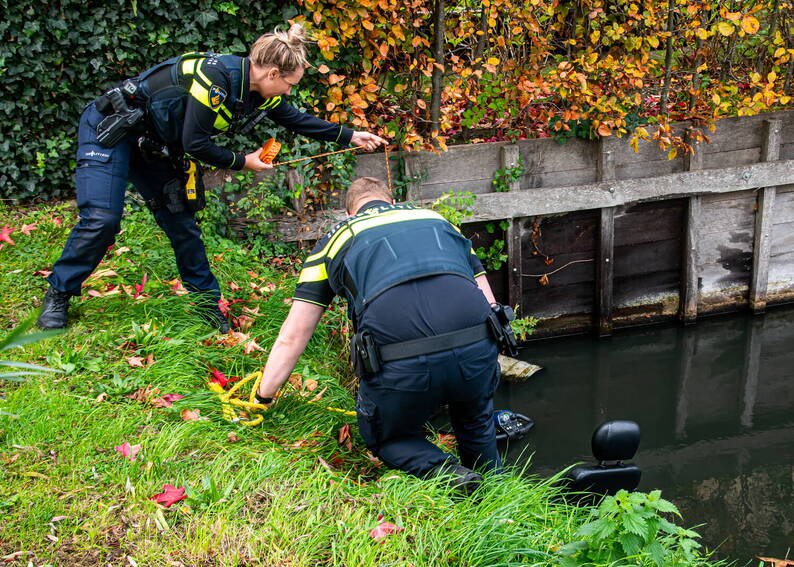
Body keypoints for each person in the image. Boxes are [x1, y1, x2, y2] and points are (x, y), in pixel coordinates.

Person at [36, 23, 386, 332]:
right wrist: (243, 162)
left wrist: (350, 136)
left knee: (182, 225)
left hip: (152, 146)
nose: (289, 92)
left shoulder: (256, 92)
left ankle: (206, 304)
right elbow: (195, 143)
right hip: (111, 130)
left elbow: (295, 119)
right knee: (102, 219)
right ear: (272, 73)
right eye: (289, 84)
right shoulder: (216, 77)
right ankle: (59, 292)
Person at [252, 177, 504, 493]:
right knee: (476, 424)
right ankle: (496, 496)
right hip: (475, 342)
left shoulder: (337, 237)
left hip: (400, 358)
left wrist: (263, 397)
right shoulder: (439, 222)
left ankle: (450, 475)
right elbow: (489, 303)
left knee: (386, 438)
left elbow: (294, 334)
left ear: (349, 212)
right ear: (392, 202)